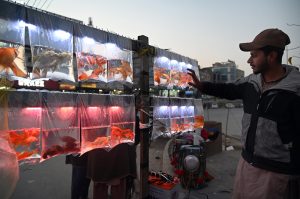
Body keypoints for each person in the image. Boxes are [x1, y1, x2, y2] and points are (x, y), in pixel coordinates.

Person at [187, 28, 300, 199]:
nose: (249, 60)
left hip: (277, 175)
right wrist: (202, 86)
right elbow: (229, 90)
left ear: (272, 56)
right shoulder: (251, 83)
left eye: (254, 55)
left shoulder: (294, 91)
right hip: (246, 166)